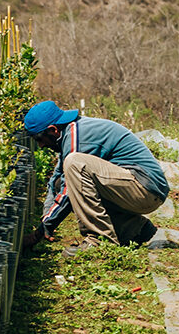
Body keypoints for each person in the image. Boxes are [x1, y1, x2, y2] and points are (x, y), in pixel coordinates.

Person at [20, 101, 170, 256]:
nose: (41, 146)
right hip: (137, 186)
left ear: (53, 130)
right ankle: (134, 230)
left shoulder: (79, 136)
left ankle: (98, 240)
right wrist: (47, 216)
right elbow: (57, 180)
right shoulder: (70, 133)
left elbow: (67, 189)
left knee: (74, 165)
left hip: (145, 188)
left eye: (40, 139)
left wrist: (42, 230)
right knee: (64, 178)